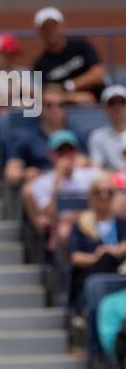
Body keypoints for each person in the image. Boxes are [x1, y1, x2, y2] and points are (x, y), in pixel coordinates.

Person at [66, 173, 126, 311]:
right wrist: (97, 258)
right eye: (99, 192)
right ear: (91, 196)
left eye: (109, 192)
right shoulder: (81, 224)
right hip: (91, 273)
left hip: (117, 270)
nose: (104, 197)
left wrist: (113, 251)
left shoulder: (120, 223)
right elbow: (75, 257)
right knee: (104, 263)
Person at [30, 7, 105, 106]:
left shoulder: (81, 46)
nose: (50, 31)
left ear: (62, 26)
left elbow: (98, 74)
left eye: (53, 26)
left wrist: (68, 86)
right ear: (39, 32)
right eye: (45, 28)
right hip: (65, 111)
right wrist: (76, 97)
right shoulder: (40, 64)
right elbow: (47, 94)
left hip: (100, 104)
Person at [88, 86, 126, 172]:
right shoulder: (97, 136)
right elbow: (96, 168)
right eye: (112, 103)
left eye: (122, 102)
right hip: (111, 182)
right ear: (104, 108)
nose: (117, 107)